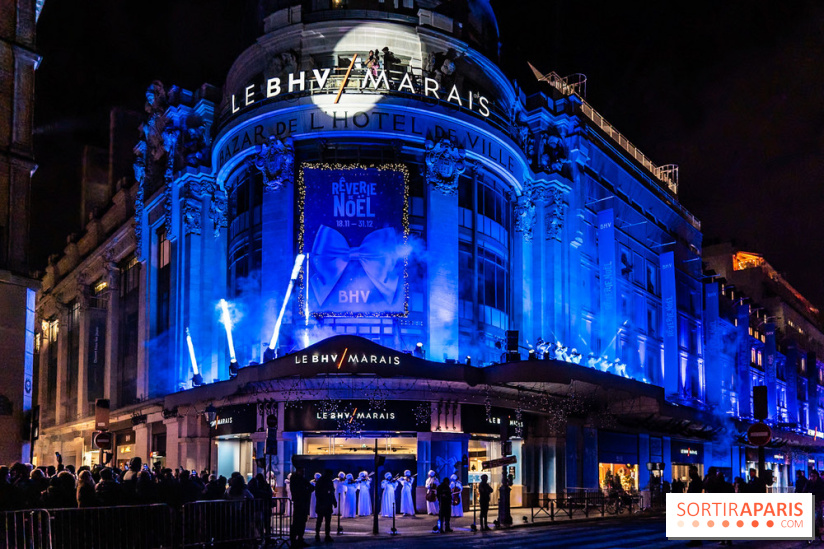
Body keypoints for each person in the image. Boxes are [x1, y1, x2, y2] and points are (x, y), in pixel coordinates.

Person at [289, 468, 314, 549]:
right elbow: (309, 487)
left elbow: (310, 487)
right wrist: (306, 491)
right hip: (300, 502)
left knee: (301, 521)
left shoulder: (298, 479)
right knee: (298, 521)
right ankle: (296, 540)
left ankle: (298, 539)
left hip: (301, 502)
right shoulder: (297, 479)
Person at [314, 470, 336, 543]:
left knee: (326, 521)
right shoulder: (322, 481)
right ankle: (318, 535)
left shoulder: (328, 481)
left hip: (326, 503)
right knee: (321, 520)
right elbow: (318, 493)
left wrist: (334, 501)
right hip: (323, 503)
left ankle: (325, 535)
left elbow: (332, 492)